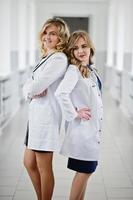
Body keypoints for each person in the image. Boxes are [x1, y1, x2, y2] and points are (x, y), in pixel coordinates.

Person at [23, 17, 70, 200]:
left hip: (46, 118)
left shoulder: (58, 59)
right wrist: (31, 89)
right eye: (46, 33)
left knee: (43, 167)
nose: (47, 37)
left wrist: (31, 88)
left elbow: (34, 87)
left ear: (61, 38)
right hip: (34, 117)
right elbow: (29, 86)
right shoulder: (46, 57)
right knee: (28, 163)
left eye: (53, 34)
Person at [55, 30, 103, 200]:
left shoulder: (89, 69)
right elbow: (61, 93)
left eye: (84, 46)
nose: (80, 51)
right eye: (75, 48)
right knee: (85, 171)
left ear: (90, 47)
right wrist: (75, 113)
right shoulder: (73, 70)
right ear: (71, 52)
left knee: (87, 172)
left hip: (90, 131)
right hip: (82, 133)